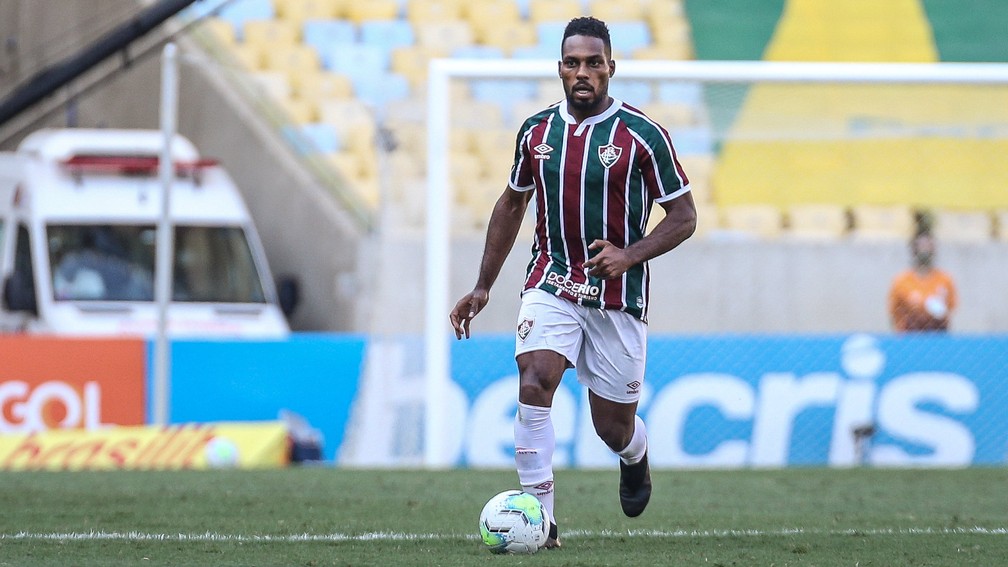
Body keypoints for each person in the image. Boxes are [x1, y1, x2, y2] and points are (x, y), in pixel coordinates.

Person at [449, 17, 697, 549]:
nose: (582, 72)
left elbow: (684, 217)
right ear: (559, 68)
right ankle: (541, 521)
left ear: (611, 67)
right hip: (552, 279)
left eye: (593, 63)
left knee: (612, 428)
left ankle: (635, 455)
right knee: (534, 380)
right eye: (572, 63)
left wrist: (628, 256)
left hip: (617, 297)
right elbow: (511, 204)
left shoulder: (642, 135)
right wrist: (483, 285)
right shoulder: (537, 132)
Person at [888, 231, 958, 332]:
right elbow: (894, 313)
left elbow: (949, 309)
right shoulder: (901, 281)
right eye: (921, 246)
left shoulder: (945, 280)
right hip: (909, 335)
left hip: (937, 335)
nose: (925, 250)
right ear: (914, 250)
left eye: (928, 246)